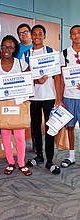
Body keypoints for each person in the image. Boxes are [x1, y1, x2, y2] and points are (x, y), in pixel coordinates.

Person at [0, 35, 32, 176]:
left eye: (10, 47)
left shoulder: (21, 64)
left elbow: (29, 83)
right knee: (6, 135)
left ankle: (21, 163)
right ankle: (11, 162)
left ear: (14, 49)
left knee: (20, 136)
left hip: (18, 104)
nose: (7, 49)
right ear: (1, 48)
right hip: (3, 104)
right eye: (4, 47)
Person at [25, 24, 61, 174]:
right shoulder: (26, 54)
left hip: (49, 97)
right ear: (31, 36)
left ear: (44, 36)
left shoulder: (52, 52)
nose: (37, 36)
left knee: (49, 128)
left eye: (40, 34)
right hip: (34, 98)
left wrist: (58, 98)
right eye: (34, 34)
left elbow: (57, 76)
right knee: (35, 128)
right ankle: (39, 155)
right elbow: (25, 77)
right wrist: (35, 81)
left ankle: (50, 160)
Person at [60, 25, 80, 168]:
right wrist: (59, 98)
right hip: (69, 96)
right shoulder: (65, 53)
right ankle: (71, 156)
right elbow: (60, 78)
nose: (76, 36)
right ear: (70, 37)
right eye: (73, 34)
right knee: (70, 127)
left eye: (79, 33)